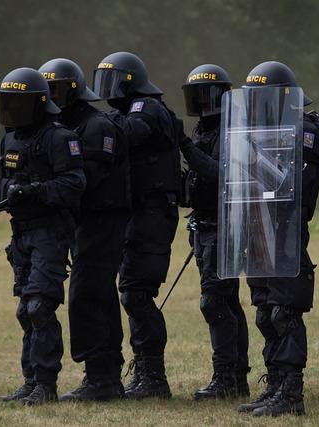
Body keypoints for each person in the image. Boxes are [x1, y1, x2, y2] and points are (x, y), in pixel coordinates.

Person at [0, 67, 86, 405]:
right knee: (25, 310)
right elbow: (5, 184)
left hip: (50, 232)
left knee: (40, 306)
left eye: (18, 103)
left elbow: (75, 183)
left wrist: (36, 191)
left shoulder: (59, 137)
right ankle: (30, 380)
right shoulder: (10, 138)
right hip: (20, 235)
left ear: (38, 103)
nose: (11, 109)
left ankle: (46, 385)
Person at [233, 61, 319, 417]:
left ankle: (290, 394)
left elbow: (297, 186)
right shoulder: (257, 133)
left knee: (284, 313)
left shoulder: (304, 130)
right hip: (259, 233)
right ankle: (274, 385)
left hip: (286, 234)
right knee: (265, 313)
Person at [38, 58, 130, 401]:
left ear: (75, 90)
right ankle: (106, 376)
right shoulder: (61, 126)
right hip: (82, 223)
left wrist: (48, 190)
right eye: (48, 90)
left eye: (58, 89)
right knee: (99, 295)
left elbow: (87, 181)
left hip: (104, 220)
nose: (53, 96)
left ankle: (100, 379)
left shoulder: (97, 126)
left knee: (86, 295)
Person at [92, 52, 182, 399]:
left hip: (153, 213)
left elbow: (128, 134)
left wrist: (90, 127)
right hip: (137, 212)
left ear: (129, 81)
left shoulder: (147, 108)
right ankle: (145, 373)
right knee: (130, 291)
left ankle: (153, 378)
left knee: (136, 292)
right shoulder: (123, 111)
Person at [179, 64, 250, 400]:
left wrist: (183, 145)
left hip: (224, 228)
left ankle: (227, 378)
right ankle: (235, 377)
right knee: (226, 301)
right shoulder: (202, 130)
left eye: (208, 95)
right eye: (197, 96)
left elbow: (216, 173)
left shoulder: (231, 130)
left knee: (215, 302)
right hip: (204, 225)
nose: (202, 103)